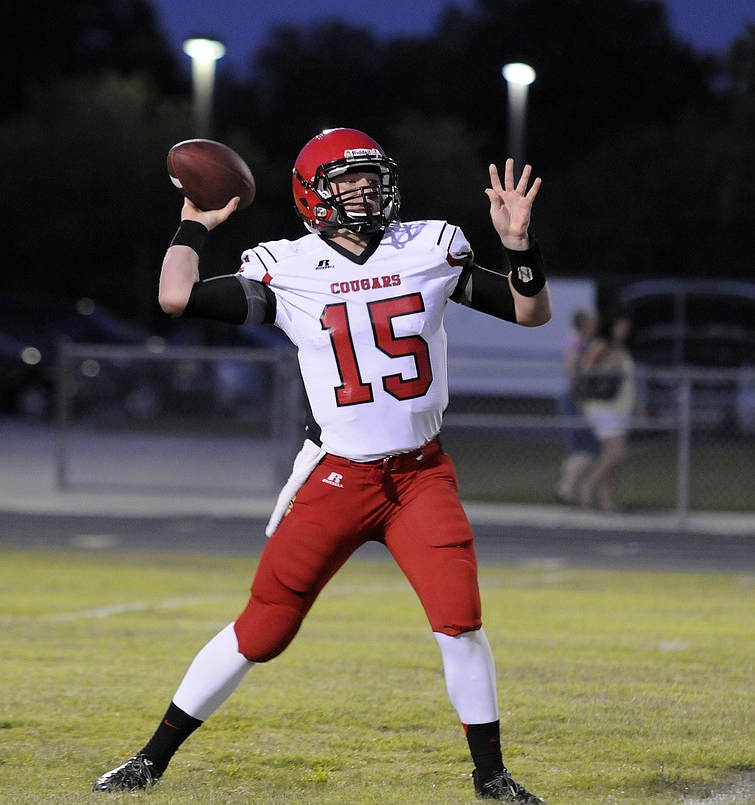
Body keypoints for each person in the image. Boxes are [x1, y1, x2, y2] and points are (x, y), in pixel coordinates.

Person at [93, 128, 552, 803]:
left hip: (420, 475)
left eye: (372, 178)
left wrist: (518, 247)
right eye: (349, 181)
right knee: (264, 627)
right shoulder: (287, 264)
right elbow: (175, 296)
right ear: (314, 195)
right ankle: (149, 759)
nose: (366, 190)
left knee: (461, 618)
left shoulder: (429, 246)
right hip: (338, 475)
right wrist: (193, 223)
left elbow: (529, 311)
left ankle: (492, 777)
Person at [577, 310, 638, 512]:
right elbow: (586, 372)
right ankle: (587, 487)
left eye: (626, 327)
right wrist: (607, 366)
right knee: (618, 453)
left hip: (620, 409)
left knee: (610, 458)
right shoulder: (602, 346)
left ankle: (606, 501)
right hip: (604, 408)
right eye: (620, 326)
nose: (624, 331)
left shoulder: (622, 349)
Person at [555, 306, 600, 504]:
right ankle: (566, 488)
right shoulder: (577, 343)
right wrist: (580, 400)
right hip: (575, 398)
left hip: (578, 397)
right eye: (591, 321)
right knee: (589, 447)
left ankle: (568, 488)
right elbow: (574, 373)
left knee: (580, 447)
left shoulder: (582, 342)